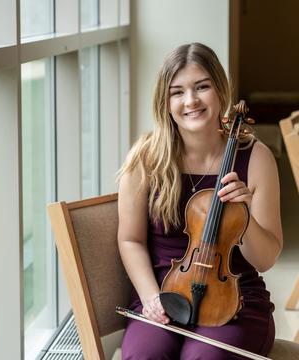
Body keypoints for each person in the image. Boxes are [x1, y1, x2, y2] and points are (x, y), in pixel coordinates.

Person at [117, 42, 283, 359]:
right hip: (164, 295)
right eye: (177, 92)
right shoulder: (146, 159)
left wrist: (244, 216)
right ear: (164, 102)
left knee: (204, 358)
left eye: (201, 87)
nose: (190, 100)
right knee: (145, 356)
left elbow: (265, 260)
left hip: (236, 302)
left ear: (220, 89)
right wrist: (152, 298)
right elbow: (130, 240)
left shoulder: (256, 158)